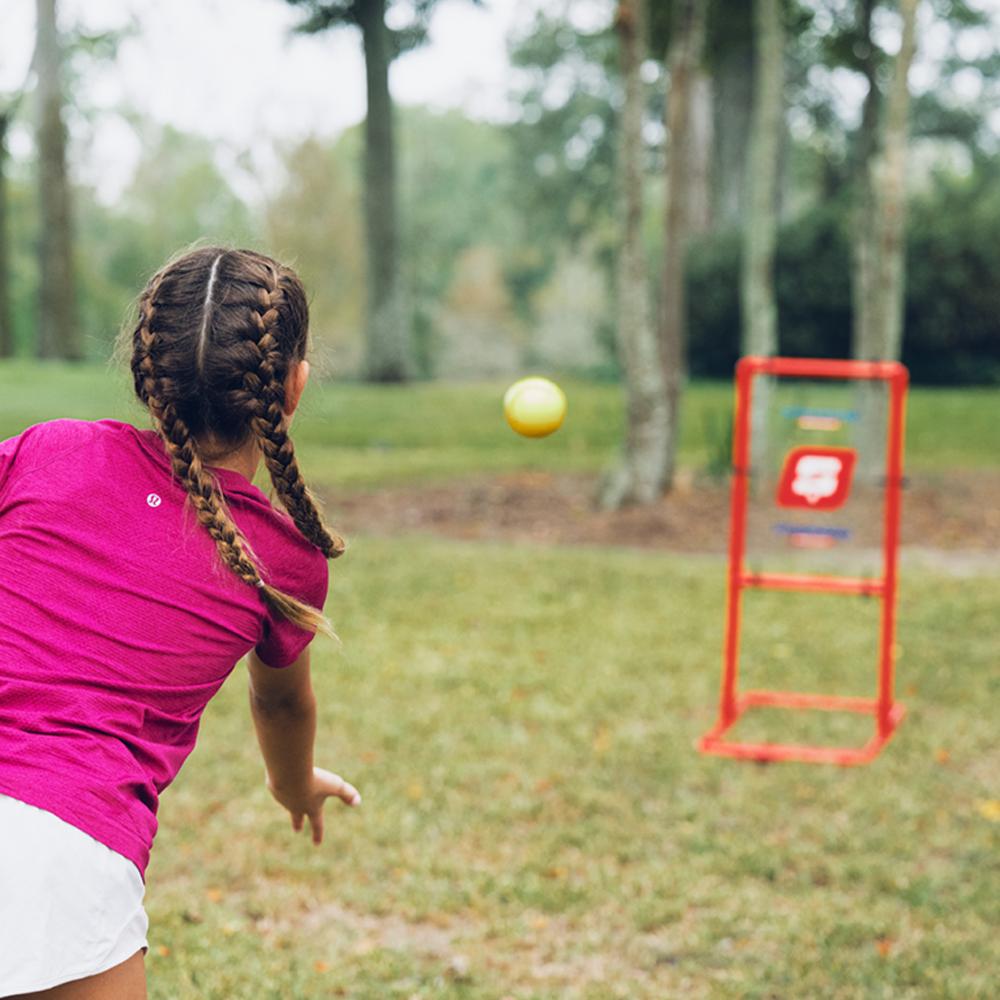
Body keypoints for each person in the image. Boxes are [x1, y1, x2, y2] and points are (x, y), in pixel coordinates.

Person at [0, 246, 361, 999]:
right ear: (292, 385)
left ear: (145, 366)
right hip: (63, 848)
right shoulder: (284, 560)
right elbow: (282, 700)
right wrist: (293, 785)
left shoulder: (46, 451)